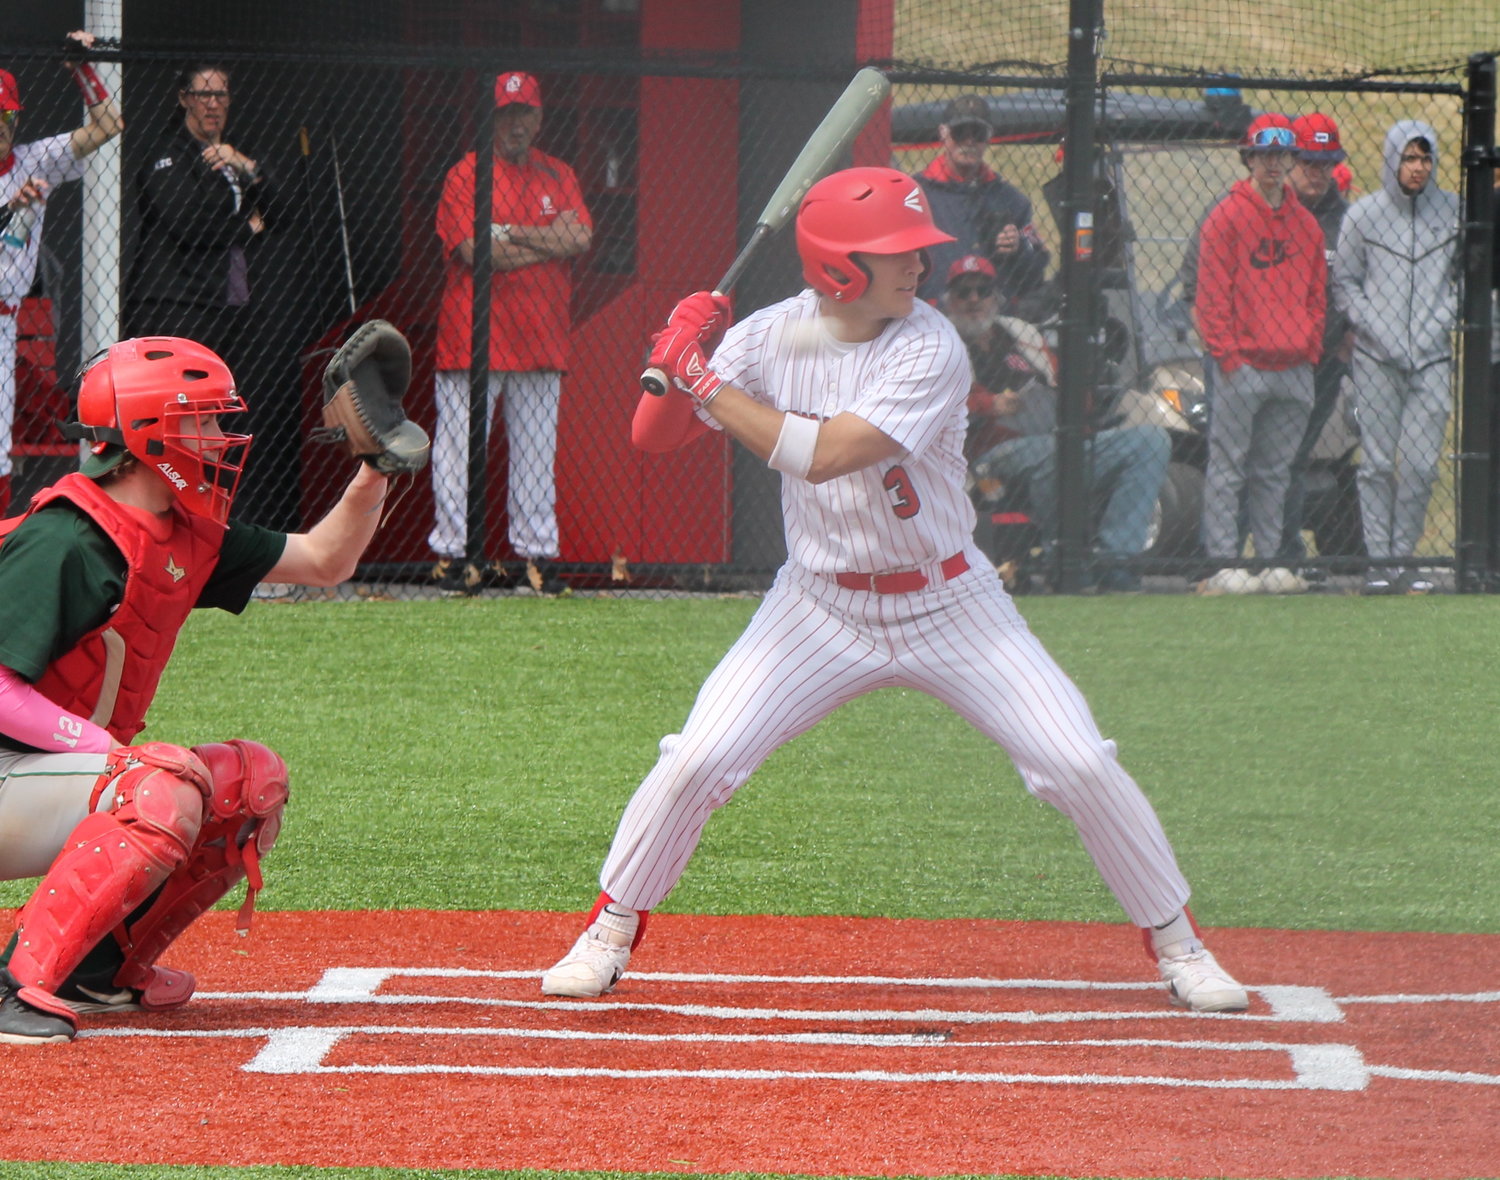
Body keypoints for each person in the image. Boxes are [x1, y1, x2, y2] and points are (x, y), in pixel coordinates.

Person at [539, 167, 1248, 1015]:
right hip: (818, 606)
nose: (922, 265)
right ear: (839, 269)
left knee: (1074, 761)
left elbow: (830, 451)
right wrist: (672, 354)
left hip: (952, 604)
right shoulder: (777, 337)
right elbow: (651, 437)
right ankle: (610, 931)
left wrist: (702, 380)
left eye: (918, 250)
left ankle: (1179, 943)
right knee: (696, 758)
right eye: (898, 252)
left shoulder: (929, 344)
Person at [0, 335, 395, 1044]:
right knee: (161, 783)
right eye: (204, 421)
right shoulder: (67, 537)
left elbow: (325, 559)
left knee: (250, 781)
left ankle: (92, 971)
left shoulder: (183, 534)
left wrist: (376, 468)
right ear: (154, 429)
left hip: (37, 782)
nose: (220, 437)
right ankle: (11, 985)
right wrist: (110, 754)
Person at [428, 71, 593, 597]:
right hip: (471, 336)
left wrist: (510, 235)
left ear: (539, 118)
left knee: (535, 457)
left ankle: (535, 559)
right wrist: (548, 242)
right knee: (457, 451)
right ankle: (454, 558)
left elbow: (581, 237)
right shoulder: (466, 173)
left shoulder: (558, 172)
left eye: (524, 113)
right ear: (492, 118)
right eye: (506, 113)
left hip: (541, 339)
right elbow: (475, 252)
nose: (516, 123)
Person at [124, 64, 292, 529]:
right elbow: (189, 224)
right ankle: (153, 520)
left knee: (216, 424)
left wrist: (246, 165)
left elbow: (284, 210)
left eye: (221, 94)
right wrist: (248, 226)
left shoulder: (228, 158)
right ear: (184, 99)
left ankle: (207, 524)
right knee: (171, 423)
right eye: (202, 94)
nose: (213, 103)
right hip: (176, 309)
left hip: (226, 311)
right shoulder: (168, 154)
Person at [945, 255, 1168, 591]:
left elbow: (1076, 393)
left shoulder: (1020, 334)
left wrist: (1066, 395)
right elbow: (940, 402)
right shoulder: (943, 342)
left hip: (1054, 436)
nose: (974, 299)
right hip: (991, 452)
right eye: (964, 292)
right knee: (1057, 452)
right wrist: (990, 404)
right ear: (950, 300)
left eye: (983, 290)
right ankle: (1062, 560)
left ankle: (1116, 560)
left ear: (996, 296)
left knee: (1153, 439)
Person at [1195, 115, 1325, 595]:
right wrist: (1227, 355)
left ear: (1291, 159)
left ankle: (1270, 561)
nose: (1273, 164)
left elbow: (1317, 292)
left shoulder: (1307, 225)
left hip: (1293, 367)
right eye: (1264, 154)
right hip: (1242, 365)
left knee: (1275, 470)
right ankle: (1225, 562)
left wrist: (1309, 348)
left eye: (1282, 155)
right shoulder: (1225, 217)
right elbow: (1210, 295)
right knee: (1228, 465)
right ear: (1249, 158)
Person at [1332, 120, 1459, 595]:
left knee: (1423, 465)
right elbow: (1345, 283)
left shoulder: (1452, 212)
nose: (1418, 167)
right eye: (1409, 158)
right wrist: (1379, 331)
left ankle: (1406, 559)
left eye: (1425, 158)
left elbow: (1461, 280)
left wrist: (1432, 327)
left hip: (1430, 357)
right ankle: (1380, 563)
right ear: (1392, 160)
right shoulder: (1363, 216)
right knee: (1378, 464)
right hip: (1376, 356)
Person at [0, 31, 122, 518]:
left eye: (8, 116)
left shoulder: (32, 159)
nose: (3, 127)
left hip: (5, 321)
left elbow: (108, 124)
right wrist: (10, 208)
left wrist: (83, 70)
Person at [1279, 113, 1356, 564]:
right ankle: (1228, 558)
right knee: (1251, 459)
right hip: (1266, 357)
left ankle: (1285, 554)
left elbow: (1362, 282)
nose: (1318, 173)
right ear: (1291, 160)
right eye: (1309, 162)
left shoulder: (1347, 220)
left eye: (1326, 163)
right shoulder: (1270, 211)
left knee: (1295, 456)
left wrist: (1348, 335)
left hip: (1323, 361)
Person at [912, 93, 1051, 316]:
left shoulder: (1011, 199)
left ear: (989, 137)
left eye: (977, 134)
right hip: (932, 318)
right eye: (960, 133)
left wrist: (1019, 249)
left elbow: (1035, 274)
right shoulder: (915, 194)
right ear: (943, 134)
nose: (969, 142)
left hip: (993, 323)